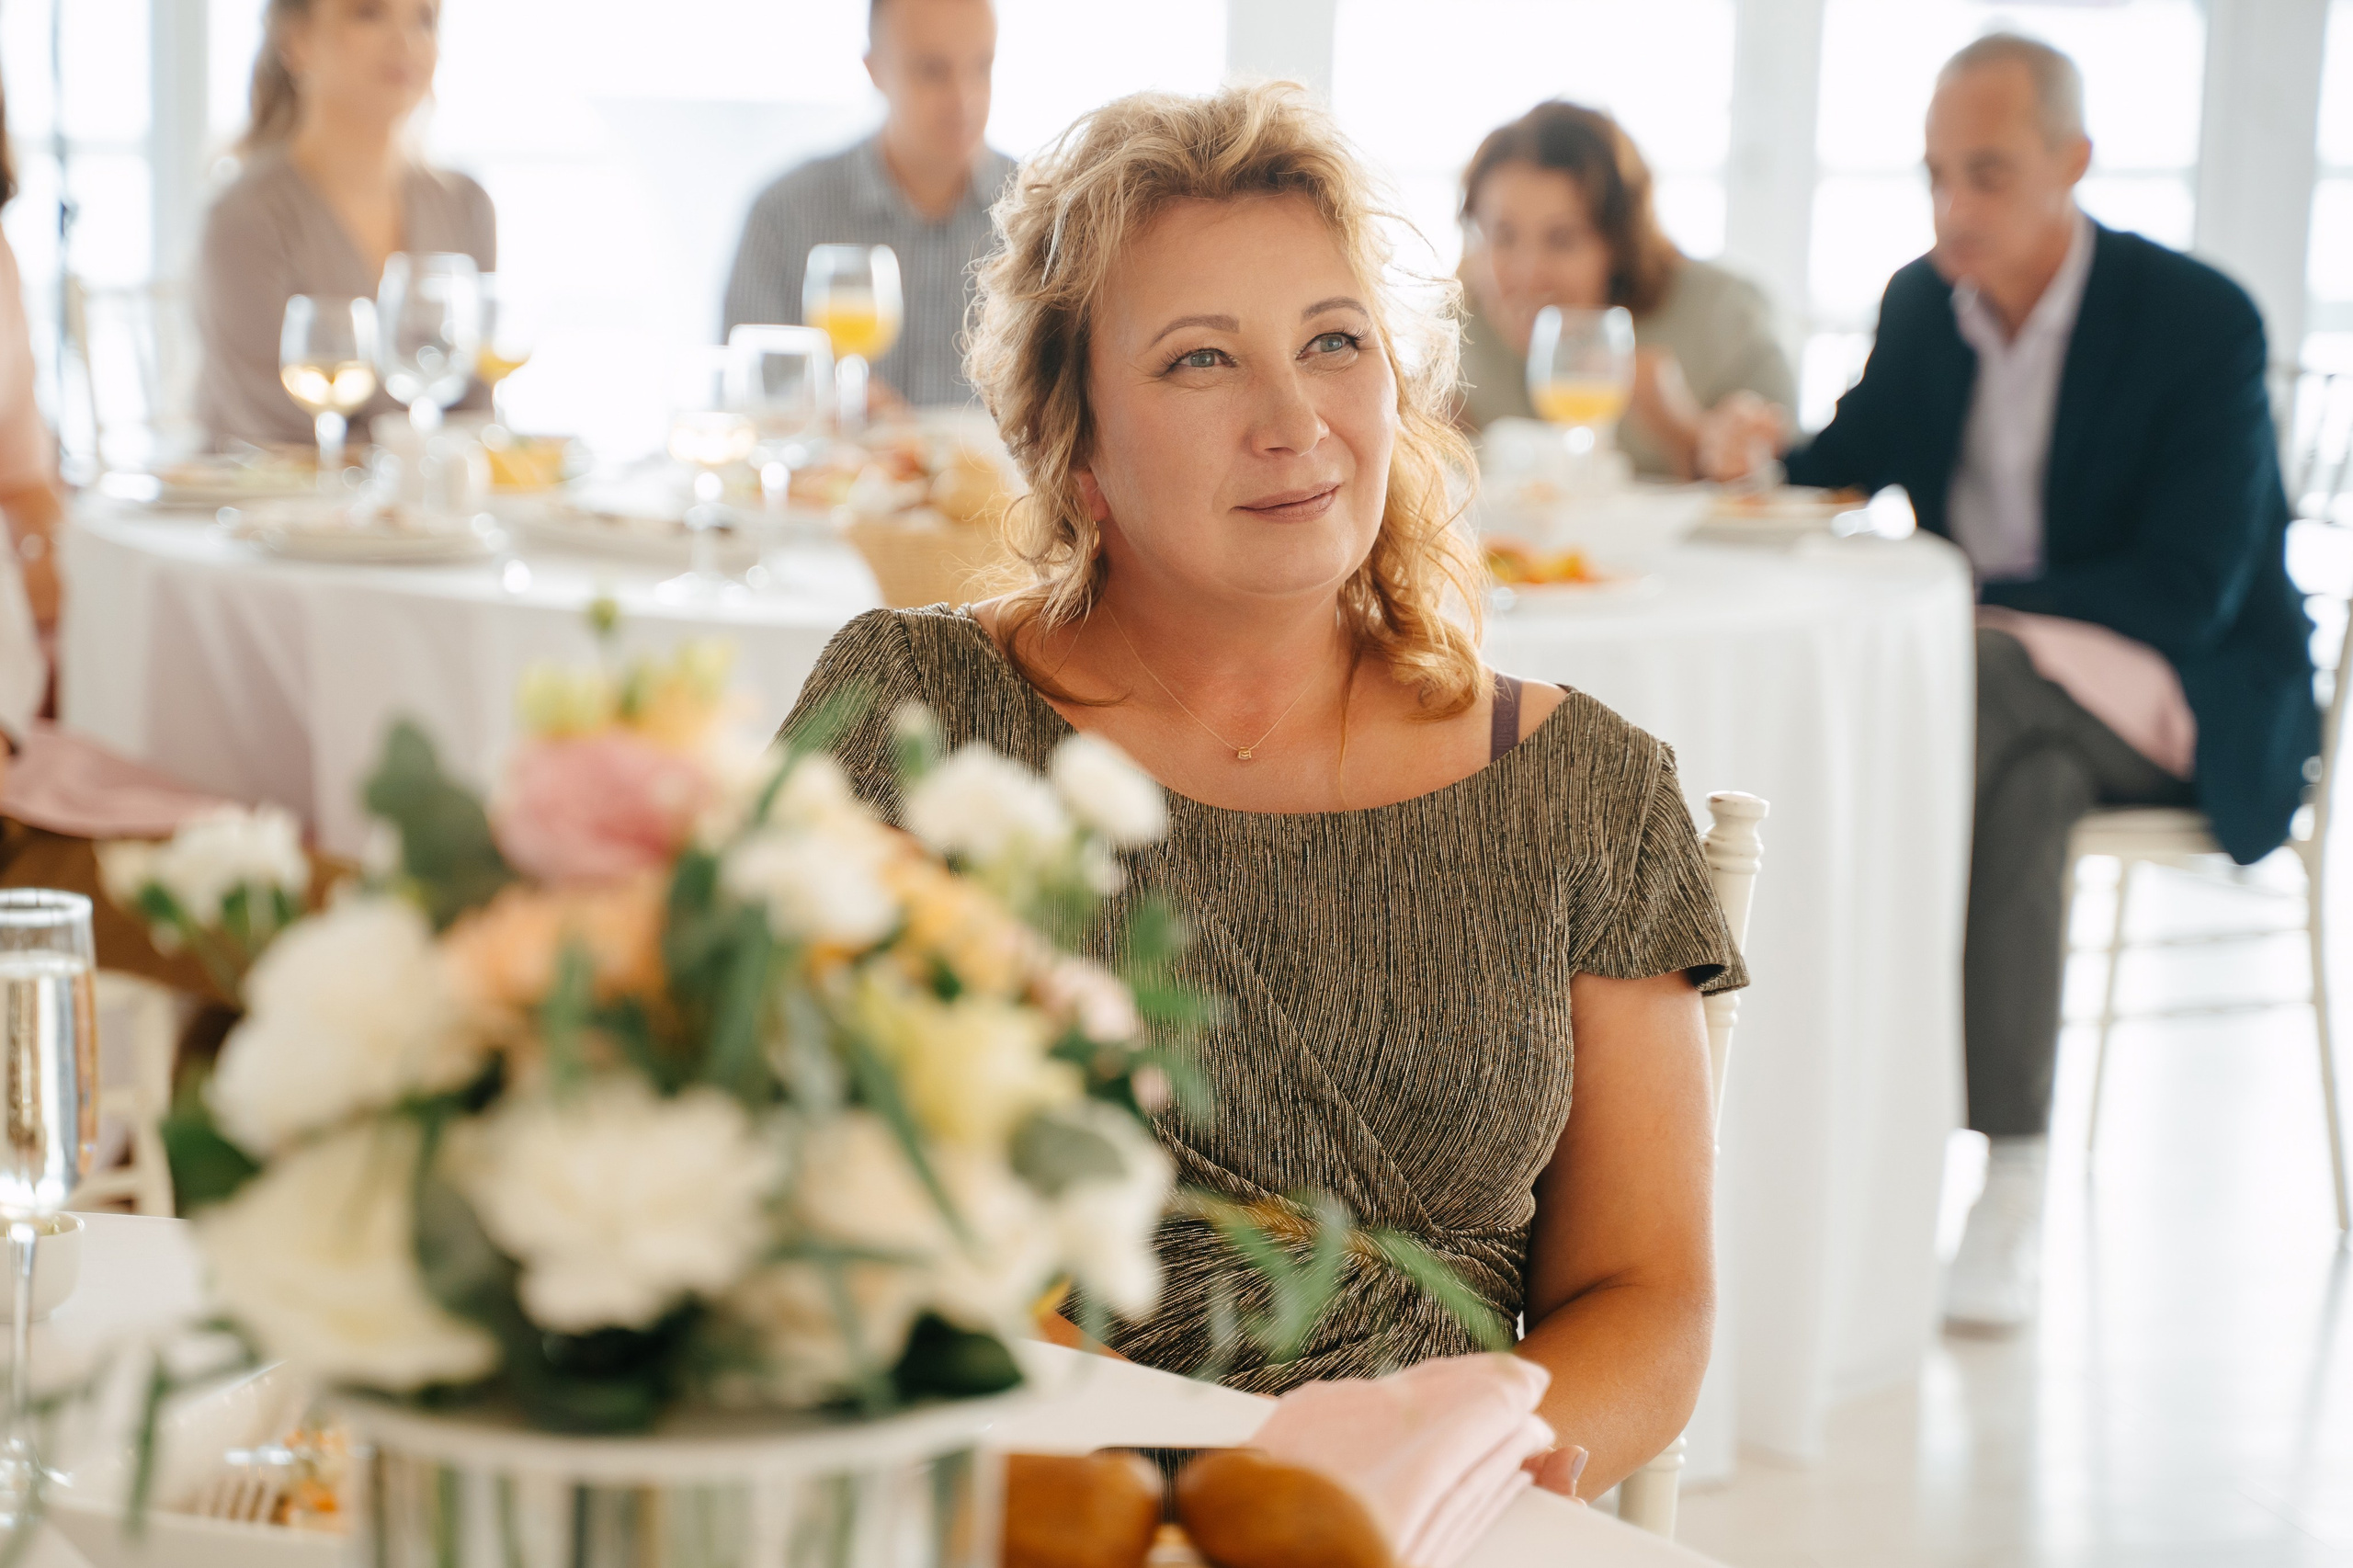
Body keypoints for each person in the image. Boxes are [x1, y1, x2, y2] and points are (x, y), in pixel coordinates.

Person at [780, 82, 1745, 1502]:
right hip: (1021, 1500)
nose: (1295, 419)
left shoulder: (1582, 789)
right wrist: (1140, 1493)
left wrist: (1398, 1500)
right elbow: (802, 1187)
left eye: (1334, 342)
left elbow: (1649, 1301)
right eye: (1199, 362)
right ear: (1076, 443)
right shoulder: (912, 720)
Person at [1708, 35, 2317, 1328]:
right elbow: (1852, 458)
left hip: (2183, 692)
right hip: (2004, 703)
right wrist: (1755, 452)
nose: (1952, 209)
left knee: (1962, 678)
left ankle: (1858, 1102)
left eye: (1985, 175)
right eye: (1936, 174)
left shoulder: (2198, 320)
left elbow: (2191, 586)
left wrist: (1970, 602)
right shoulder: (1928, 301)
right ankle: (2010, 1172)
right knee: (2020, 777)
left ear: (2074, 163)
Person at [195, 0, 494, 450]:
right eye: (368, 13)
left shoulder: (465, 204)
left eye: (425, 20)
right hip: (271, 507)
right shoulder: (245, 216)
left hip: (415, 509)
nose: (405, 41)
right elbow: (272, 428)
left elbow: (475, 405)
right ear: (297, 41)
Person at [1456, 100, 1794, 480]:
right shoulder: (1455, 328)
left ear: (1619, 243)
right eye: (1503, 236)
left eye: (1563, 239)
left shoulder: (1726, 315)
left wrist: (1689, 435)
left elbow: (1796, 485)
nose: (1529, 273)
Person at [721, 0, 1011, 408]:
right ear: (874, 69)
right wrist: (822, 409)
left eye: (982, 66)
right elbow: (747, 393)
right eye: (932, 70)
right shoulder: (784, 214)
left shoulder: (1045, 216)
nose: (964, 98)